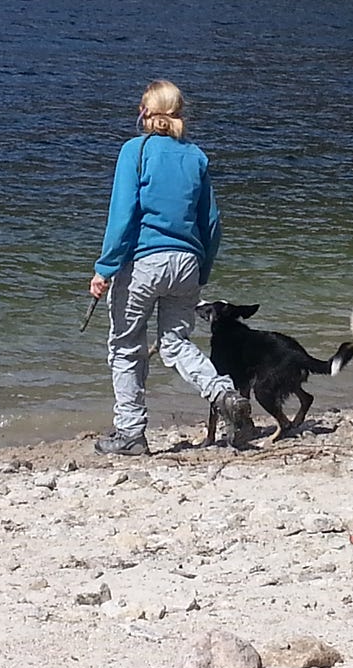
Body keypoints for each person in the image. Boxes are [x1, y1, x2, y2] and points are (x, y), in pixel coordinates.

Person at [89, 80, 250, 456]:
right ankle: (222, 391)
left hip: (144, 263)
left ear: (145, 113)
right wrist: (202, 270)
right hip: (187, 263)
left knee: (126, 348)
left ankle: (130, 433)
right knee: (176, 344)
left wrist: (104, 269)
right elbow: (211, 223)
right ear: (179, 113)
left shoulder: (135, 152)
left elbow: (123, 216)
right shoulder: (195, 156)